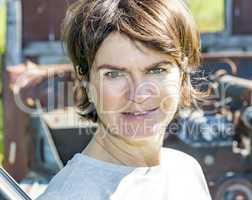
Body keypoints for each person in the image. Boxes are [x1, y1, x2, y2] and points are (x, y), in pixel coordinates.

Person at [37, 0, 211, 199]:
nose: (138, 94)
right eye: (114, 74)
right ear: (85, 80)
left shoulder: (185, 171)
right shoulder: (70, 195)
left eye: (156, 70)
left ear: (182, 73)